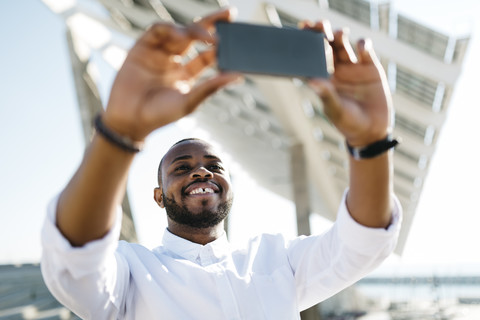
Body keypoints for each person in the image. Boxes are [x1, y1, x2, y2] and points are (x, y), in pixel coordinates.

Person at [41, 7, 402, 320]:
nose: (201, 171)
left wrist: (370, 144)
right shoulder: (130, 273)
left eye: (214, 166)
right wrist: (119, 133)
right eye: (181, 168)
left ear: (230, 186)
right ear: (157, 196)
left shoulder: (280, 262)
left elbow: (362, 245)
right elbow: (75, 260)